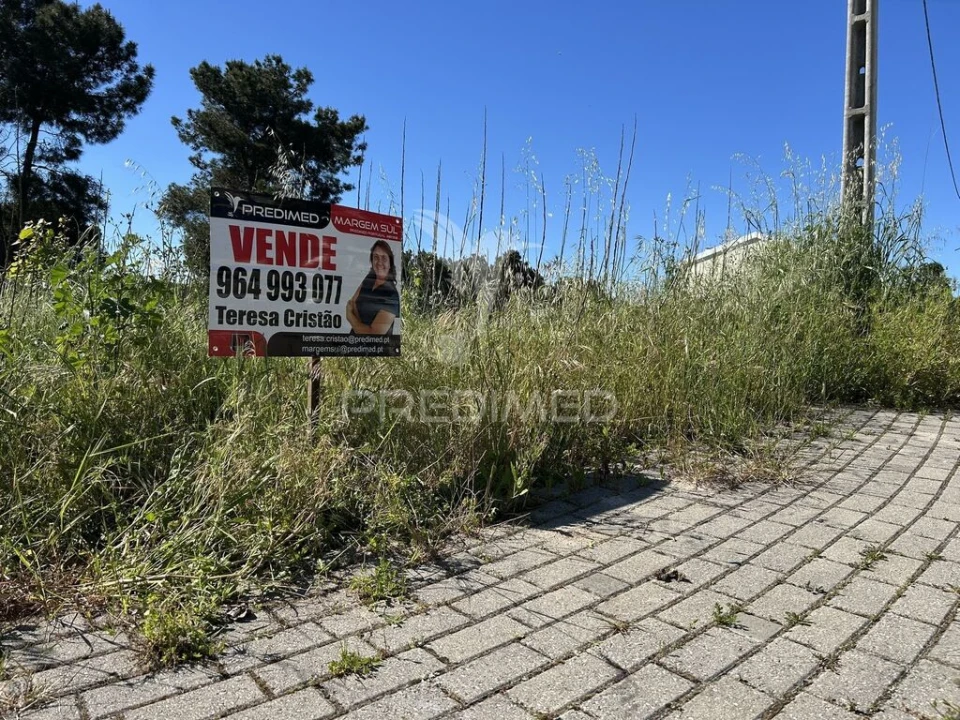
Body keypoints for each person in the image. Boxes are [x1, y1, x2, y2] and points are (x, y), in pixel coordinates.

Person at [345, 240, 400, 335]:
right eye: (376, 257)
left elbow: (373, 335)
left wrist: (350, 317)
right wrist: (362, 327)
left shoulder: (391, 295)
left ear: (390, 263)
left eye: (384, 258)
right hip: (353, 344)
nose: (379, 262)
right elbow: (352, 302)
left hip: (375, 349)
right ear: (371, 260)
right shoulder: (369, 279)